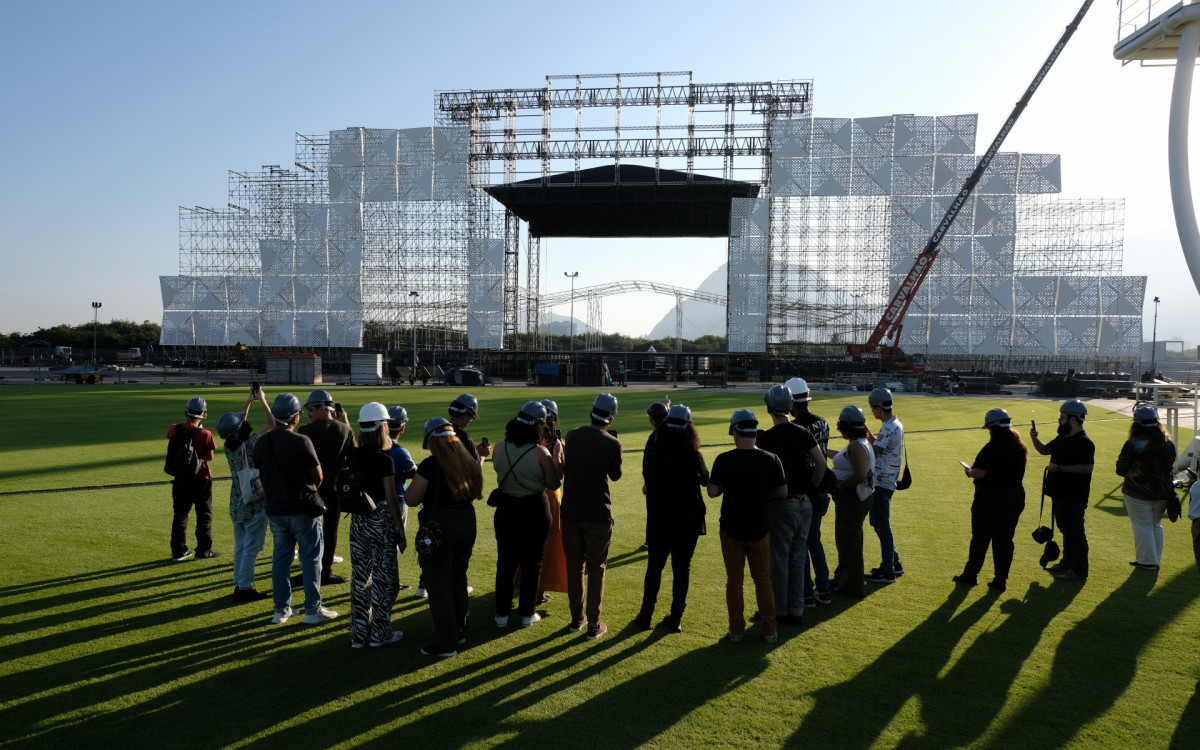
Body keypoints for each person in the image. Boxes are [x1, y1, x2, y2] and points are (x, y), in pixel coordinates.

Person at [254, 393, 337, 625]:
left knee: (281, 559)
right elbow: (318, 476)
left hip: (275, 509)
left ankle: (281, 609)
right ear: (294, 417)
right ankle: (313, 609)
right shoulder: (301, 441)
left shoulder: (262, 443)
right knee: (311, 558)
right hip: (302, 509)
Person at [405, 417, 483, 657]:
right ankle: (458, 630)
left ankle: (445, 642)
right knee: (457, 577)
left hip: (439, 524)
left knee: (438, 583)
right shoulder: (468, 461)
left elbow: (411, 499)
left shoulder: (430, 465)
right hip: (466, 521)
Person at [709, 409, 787, 643]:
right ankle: (769, 630)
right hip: (760, 529)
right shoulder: (771, 459)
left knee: (735, 582)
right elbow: (782, 492)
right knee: (763, 580)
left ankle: (736, 630)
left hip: (731, 529)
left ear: (735, 431)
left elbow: (712, 491)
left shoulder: (724, 459)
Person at [757, 384, 826, 627]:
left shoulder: (765, 438)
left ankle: (780, 609)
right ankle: (796, 610)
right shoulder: (803, 432)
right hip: (804, 503)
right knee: (798, 559)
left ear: (769, 408)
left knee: (779, 560)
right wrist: (812, 488)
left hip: (780, 504)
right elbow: (821, 464)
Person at [637, 403, 709, 633]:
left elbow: (646, 473)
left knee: (655, 567)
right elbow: (706, 480)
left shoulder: (654, 446)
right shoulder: (692, 452)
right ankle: (676, 618)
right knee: (682, 569)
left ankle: (646, 615)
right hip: (688, 519)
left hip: (660, 517)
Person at [492, 401, 563, 629]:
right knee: (533, 563)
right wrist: (558, 460)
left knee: (506, 562)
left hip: (506, 509)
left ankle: (501, 614)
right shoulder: (540, 452)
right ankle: (527, 614)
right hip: (534, 509)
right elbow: (553, 483)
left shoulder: (499, 447)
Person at [561, 393, 623, 640]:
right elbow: (615, 476)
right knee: (596, 568)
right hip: (597, 512)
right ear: (609, 419)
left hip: (571, 511)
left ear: (592, 412)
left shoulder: (573, 435)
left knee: (574, 567)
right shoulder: (611, 444)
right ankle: (594, 625)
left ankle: (577, 620)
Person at [348, 402, 406, 648]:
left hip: (358, 520)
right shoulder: (385, 460)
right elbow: (391, 498)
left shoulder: (353, 454)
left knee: (360, 578)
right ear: (383, 427)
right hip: (380, 520)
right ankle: (379, 634)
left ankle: (359, 635)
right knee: (384, 579)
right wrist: (400, 530)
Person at [953, 408, 1027, 593]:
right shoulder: (1019, 446)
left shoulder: (992, 447)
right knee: (1004, 539)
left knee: (980, 538)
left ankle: (971, 575)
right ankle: (1000, 579)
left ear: (993, 427)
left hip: (990, 498)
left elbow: (978, 472)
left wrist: (969, 472)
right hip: (1015, 496)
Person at [216, 385, 275, 602]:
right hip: (254, 502)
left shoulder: (229, 446)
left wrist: (249, 402)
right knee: (251, 547)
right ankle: (245, 587)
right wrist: (262, 400)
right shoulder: (252, 444)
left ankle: (238, 582)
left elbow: (236, 425)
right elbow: (274, 424)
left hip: (236, 500)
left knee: (241, 545)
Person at [1030, 400, 1095, 582]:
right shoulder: (1063, 438)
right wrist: (1035, 438)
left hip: (1074, 495)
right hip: (1060, 493)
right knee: (1065, 530)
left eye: (1062, 417)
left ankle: (1079, 571)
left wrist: (1059, 468)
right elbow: (1045, 450)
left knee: (1075, 533)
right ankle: (1066, 564)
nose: (1059, 420)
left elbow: (1087, 468)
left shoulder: (1084, 442)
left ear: (1073, 419)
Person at [298, 389, 354, 586]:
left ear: (322, 409)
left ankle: (309, 570)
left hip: (311, 488)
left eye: (311, 409)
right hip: (335, 488)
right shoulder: (345, 430)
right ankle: (325, 572)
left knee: (308, 531)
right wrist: (345, 421)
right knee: (331, 531)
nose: (309, 413)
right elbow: (352, 456)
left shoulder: (306, 431)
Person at [786, 376, 832, 607]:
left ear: (791, 403)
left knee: (801, 543)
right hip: (823, 489)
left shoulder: (796, 428)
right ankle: (823, 588)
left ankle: (805, 592)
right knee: (815, 541)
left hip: (806, 490)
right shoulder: (823, 422)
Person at [1116, 405, 1177, 569]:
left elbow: (1120, 469)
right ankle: (1154, 559)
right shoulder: (1168, 444)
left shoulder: (1133, 444)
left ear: (1137, 424)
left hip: (1137, 492)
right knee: (1155, 525)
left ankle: (1148, 561)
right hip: (1163, 492)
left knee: (1142, 526)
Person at [828, 405, 875, 598]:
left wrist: (840, 487)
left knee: (849, 543)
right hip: (858, 498)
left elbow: (860, 474)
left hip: (852, 498)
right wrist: (821, 451)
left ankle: (852, 586)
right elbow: (843, 458)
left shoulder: (857, 446)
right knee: (848, 541)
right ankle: (842, 577)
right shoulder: (861, 442)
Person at [167, 396, 218, 562]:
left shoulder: (174, 429)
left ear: (186, 411)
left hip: (180, 478)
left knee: (180, 515)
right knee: (204, 515)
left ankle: (178, 551)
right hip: (201, 478)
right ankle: (203, 550)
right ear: (204, 415)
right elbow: (209, 457)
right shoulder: (205, 434)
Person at [865, 387, 904, 584]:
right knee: (879, 523)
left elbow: (874, 451)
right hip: (887, 479)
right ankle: (894, 564)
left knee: (882, 525)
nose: (872, 411)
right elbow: (878, 444)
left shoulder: (889, 427)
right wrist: (868, 434)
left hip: (882, 480)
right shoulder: (893, 423)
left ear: (879, 408)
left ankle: (888, 570)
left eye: (873, 408)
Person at [532, 398, 569, 602]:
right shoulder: (556, 443)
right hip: (550, 495)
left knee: (530, 543)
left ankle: (524, 584)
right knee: (549, 545)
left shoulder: (529, 439)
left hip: (530, 493)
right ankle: (538, 591)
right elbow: (560, 476)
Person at [386, 406, 417, 590]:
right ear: (402, 428)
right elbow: (415, 473)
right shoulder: (400, 452)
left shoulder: (373, 445)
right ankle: (392, 582)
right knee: (395, 543)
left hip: (375, 501)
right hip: (397, 499)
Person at [640, 399, 671, 550]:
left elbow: (647, 466)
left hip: (655, 483)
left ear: (652, 420)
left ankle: (650, 541)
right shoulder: (674, 434)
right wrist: (667, 406)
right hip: (671, 481)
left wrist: (646, 484)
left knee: (653, 514)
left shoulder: (652, 439)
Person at [448, 393, 490, 465]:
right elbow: (476, 470)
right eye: (470, 418)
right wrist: (482, 456)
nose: (469, 422)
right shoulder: (465, 438)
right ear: (465, 416)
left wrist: (473, 450)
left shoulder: (439, 432)